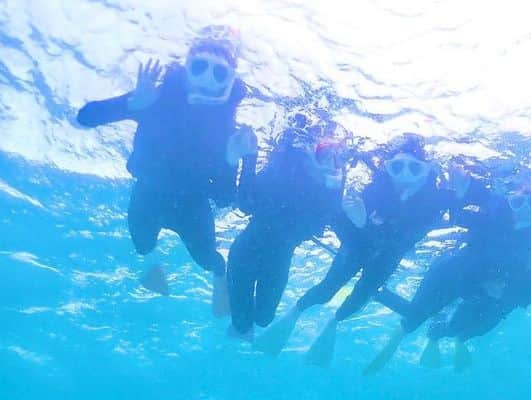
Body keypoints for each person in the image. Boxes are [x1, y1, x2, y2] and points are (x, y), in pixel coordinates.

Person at [75, 27, 254, 316]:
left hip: (192, 209)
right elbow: (85, 118)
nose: (207, 79)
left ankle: (220, 278)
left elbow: (222, 198)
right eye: (199, 67)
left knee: (208, 260)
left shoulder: (226, 130)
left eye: (219, 74)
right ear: (185, 69)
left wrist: (232, 159)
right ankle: (154, 273)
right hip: (147, 197)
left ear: (230, 82)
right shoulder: (154, 100)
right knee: (143, 246)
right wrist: (130, 104)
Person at [255, 134, 469, 365]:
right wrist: (358, 221)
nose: (405, 176)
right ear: (387, 170)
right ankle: (294, 313)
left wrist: (459, 193)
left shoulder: (436, 200)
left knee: (360, 298)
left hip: (388, 257)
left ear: (427, 172)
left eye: (414, 169)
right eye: (397, 167)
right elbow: (336, 220)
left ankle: (333, 323)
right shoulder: (374, 192)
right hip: (357, 248)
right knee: (327, 290)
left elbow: (456, 217)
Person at [366, 178, 531, 373]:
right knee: (415, 315)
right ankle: (377, 296)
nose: (524, 210)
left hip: (478, 287)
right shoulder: (492, 220)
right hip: (449, 273)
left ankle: (444, 333)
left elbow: (528, 287)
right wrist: (460, 196)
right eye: (517, 202)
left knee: (480, 323)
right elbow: (458, 216)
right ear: (509, 204)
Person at [226, 116, 362, 340]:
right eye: (323, 155)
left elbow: (321, 227)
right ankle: (228, 296)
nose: (329, 164)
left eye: (336, 160)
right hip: (245, 253)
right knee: (241, 326)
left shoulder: (329, 193)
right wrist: (250, 157)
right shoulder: (282, 174)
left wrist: (334, 190)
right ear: (309, 154)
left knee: (263, 319)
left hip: (278, 260)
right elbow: (246, 203)